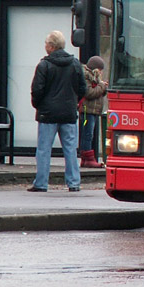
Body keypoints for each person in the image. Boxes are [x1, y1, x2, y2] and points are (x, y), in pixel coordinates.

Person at [29, 31, 87, 192]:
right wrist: (74, 102)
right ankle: (74, 182)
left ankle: (41, 183)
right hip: (68, 113)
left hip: (48, 113)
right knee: (70, 149)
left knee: (43, 149)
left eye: (46, 43)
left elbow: (37, 90)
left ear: (52, 46)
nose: (45, 46)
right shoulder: (75, 63)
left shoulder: (44, 65)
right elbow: (82, 88)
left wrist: (38, 105)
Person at [78, 55, 108, 168]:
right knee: (87, 134)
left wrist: (102, 87)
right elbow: (89, 93)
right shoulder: (86, 76)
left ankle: (87, 158)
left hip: (94, 110)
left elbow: (98, 92)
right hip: (87, 110)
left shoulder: (94, 77)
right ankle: (87, 158)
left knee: (89, 134)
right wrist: (101, 86)